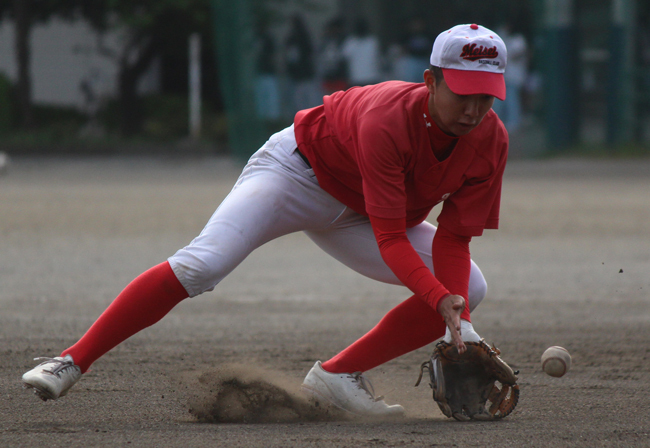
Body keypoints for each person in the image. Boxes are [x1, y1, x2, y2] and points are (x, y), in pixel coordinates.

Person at [22, 23, 509, 418]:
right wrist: (440, 300)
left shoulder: (491, 140)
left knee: (471, 286)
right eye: (462, 92)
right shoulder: (387, 119)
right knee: (202, 266)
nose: (472, 110)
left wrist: (459, 320)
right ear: (430, 81)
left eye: (485, 97)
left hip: (361, 211)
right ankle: (70, 360)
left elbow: (454, 238)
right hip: (295, 175)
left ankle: (338, 374)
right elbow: (390, 239)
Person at [491, 23, 527, 132]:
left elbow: (516, 55)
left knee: (512, 100)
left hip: (514, 76)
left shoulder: (518, 39)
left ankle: (513, 123)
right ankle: (497, 123)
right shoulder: (500, 39)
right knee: (498, 101)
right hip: (502, 76)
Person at [341, 18, 383, 87]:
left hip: (359, 78)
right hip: (369, 77)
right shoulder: (372, 41)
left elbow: (344, 59)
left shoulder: (351, 42)